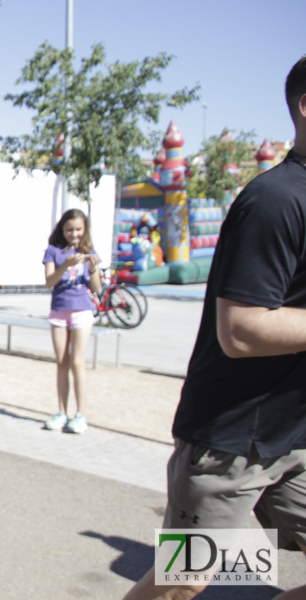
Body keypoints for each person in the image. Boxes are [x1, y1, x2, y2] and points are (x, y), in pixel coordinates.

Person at [122, 55, 306, 600]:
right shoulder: (276, 200)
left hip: (296, 439)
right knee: (187, 581)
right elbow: (242, 330)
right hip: (231, 444)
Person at [39, 208, 100, 435]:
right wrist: (65, 264)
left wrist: (92, 267)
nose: (74, 234)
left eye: (78, 230)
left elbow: (96, 287)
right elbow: (49, 281)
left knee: (77, 363)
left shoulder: (89, 251)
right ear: (62, 229)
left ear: (84, 230)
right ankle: (61, 412)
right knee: (62, 362)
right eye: (69, 229)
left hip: (82, 311)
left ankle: (80, 415)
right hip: (59, 311)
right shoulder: (53, 251)